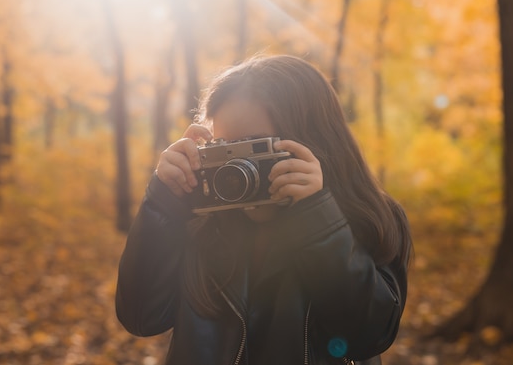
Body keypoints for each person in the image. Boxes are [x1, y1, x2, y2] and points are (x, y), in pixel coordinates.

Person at [115, 55, 412, 365]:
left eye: (255, 148)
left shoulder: (371, 218)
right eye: (224, 150)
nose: (237, 171)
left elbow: (368, 335)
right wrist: (165, 202)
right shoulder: (201, 220)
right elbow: (140, 317)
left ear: (314, 142)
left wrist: (318, 219)